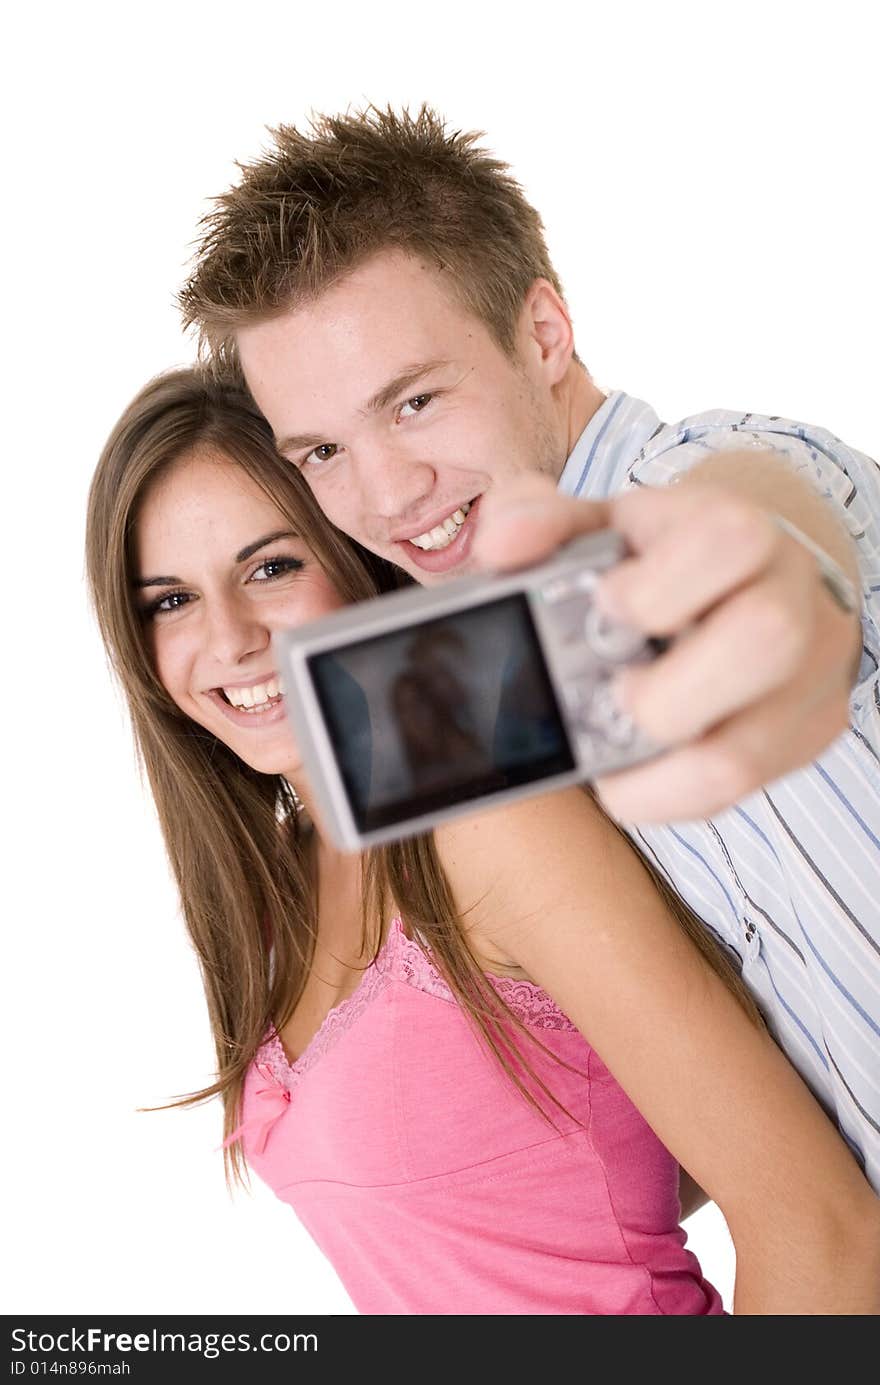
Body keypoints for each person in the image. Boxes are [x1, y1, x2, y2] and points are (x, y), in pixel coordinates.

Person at [176, 105, 880, 1191]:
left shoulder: (699, 479)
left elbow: (771, 514)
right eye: (322, 449)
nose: (384, 494)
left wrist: (766, 576)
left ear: (543, 334)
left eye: (413, 400)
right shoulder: (503, 695)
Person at [85, 366, 880, 1315]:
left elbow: (821, 1227)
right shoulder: (275, 888)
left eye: (272, 567)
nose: (230, 638)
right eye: (169, 599)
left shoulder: (487, 823)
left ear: (356, 558)